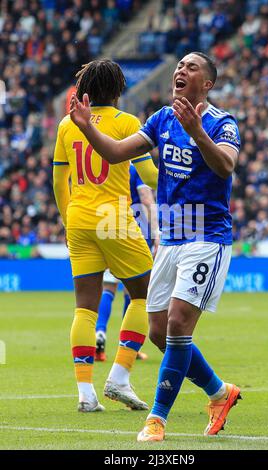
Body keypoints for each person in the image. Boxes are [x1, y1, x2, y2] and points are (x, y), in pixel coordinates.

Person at [70, 52, 242, 441]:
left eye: (191, 67)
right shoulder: (162, 119)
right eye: (179, 66)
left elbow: (226, 167)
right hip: (172, 238)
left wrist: (198, 133)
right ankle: (219, 392)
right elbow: (116, 153)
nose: (181, 70)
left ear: (207, 84)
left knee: (179, 325)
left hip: (207, 236)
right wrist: (86, 128)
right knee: (159, 333)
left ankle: (157, 419)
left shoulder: (222, 123)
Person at [53, 59, 158, 413]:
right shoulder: (127, 123)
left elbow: (58, 181)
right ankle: (119, 377)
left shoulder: (68, 124)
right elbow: (152, 177)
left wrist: (68, 221)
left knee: (84, 306)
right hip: (113, 216)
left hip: (79, 217)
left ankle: (86, 393)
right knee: (147, 295)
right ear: (118, 89)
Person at [96, 163, 159, 362]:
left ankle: (99, 332)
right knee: (135, 291)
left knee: (108, 286)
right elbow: (147, 200)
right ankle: (130, 346)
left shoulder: (102, 163)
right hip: (132, 229)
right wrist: (156, 231)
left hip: (105, 225)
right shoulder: (136, 166)